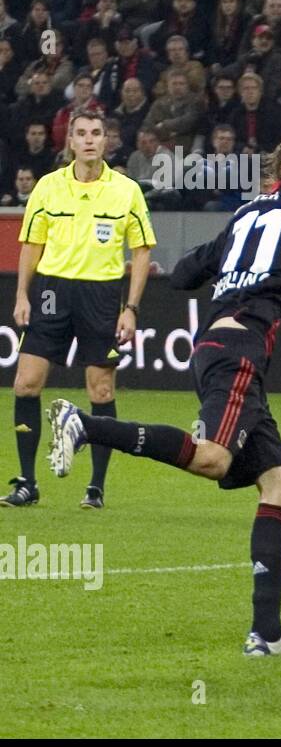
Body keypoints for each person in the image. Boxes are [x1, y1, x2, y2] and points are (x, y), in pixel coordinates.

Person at [47, 131, 281, 657]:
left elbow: (180, 276)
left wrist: (234, 271)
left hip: (216, 346)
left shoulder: (245, 215)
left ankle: (266, 635)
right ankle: (86, 425)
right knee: (213, 460)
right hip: (240, 351)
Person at [4, 110, 155, 509]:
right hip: (52, 291)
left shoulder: (126, 191)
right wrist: (22, 294)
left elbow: (141, 252)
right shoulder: (47, 188)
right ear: (70, 141)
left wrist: (132, 308)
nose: (89, 140)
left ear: (106, 141)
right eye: (82, 133)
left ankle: (96, 488)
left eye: (96, 133)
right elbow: (31, 245)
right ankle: (27, 483)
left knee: (101, 389)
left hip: (102, 296)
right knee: (25, 383)